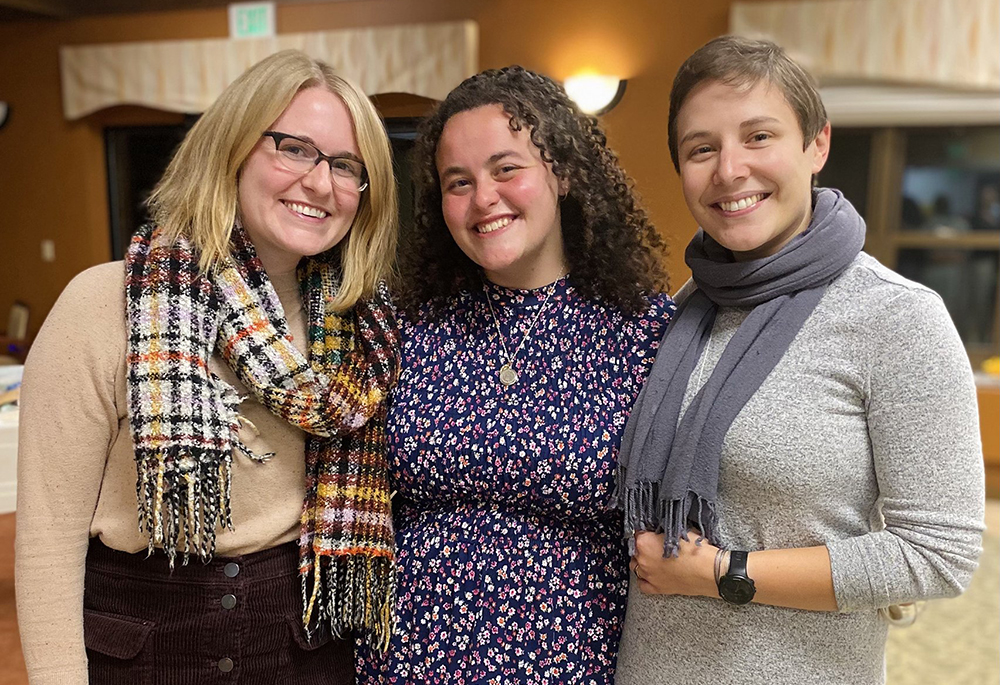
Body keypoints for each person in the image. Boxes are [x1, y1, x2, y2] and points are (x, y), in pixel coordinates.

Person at [16, 49, 400, 685]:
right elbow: (47, 543)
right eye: (293, 148)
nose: (319, 182)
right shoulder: (103, 304)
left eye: (345, 166)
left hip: (307, 648)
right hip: (143, 647)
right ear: (233, 149)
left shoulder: (363, 325)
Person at [613, 36, 985, 685]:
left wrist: (724, 572)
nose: (729, 169)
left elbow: (938, 553)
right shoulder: (687, 309)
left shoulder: (897, 318)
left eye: (758, 137)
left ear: (817, 144)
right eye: (702, 148)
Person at [357, 66, 673, 683]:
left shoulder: (647, 334)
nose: (483, 199)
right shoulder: (405, 327)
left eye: (507, 169)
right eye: (458, 182)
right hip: (404, 663)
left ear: (564, 171)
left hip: (571, 664)